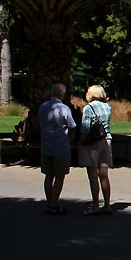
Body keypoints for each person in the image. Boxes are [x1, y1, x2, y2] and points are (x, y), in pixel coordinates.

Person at [38, 83, 77, 215]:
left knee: (48, 175)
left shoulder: (42, 107)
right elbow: (72, 125)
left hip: (46, 145)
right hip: (61, 146)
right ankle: (54, 204)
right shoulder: (64, 109)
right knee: (59, 176)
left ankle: (50, 202)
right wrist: (70, 139)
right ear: (63, 94)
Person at [80, 84, 114, 214]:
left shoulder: (89, 108)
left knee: (93, 175)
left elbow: (85, 128)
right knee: (104, 174)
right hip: (106, 140)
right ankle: (107, 204)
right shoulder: (107, 107)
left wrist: (80, 141)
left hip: (93, 142)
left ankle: (95, 204)